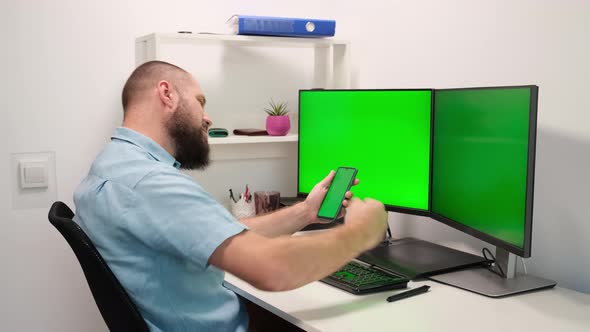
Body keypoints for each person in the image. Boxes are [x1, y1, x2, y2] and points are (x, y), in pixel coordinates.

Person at [73, 60, 388, 332]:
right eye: (201, 102)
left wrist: (304, 212)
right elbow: (274, 270)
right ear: (166, 94)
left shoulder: (112, 164)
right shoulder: (152, 184)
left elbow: (219, 234)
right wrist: (360, 233)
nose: (208, 118)